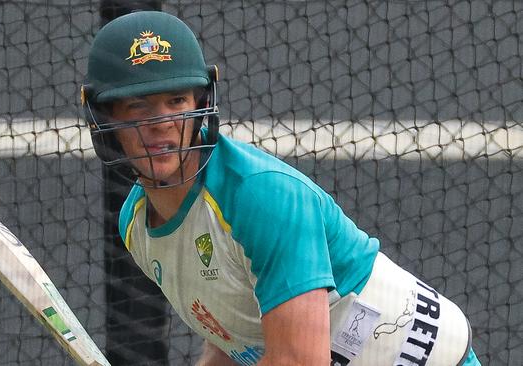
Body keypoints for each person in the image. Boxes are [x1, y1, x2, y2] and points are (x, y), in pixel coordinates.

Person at [80, 10, 481, 366]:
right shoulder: (136, 226)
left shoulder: (262, 196)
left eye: (177, 100)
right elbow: (235, 333)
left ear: (201, 103)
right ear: (103, 116)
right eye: (138, 106)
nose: (161, 121)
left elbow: (300, 361)